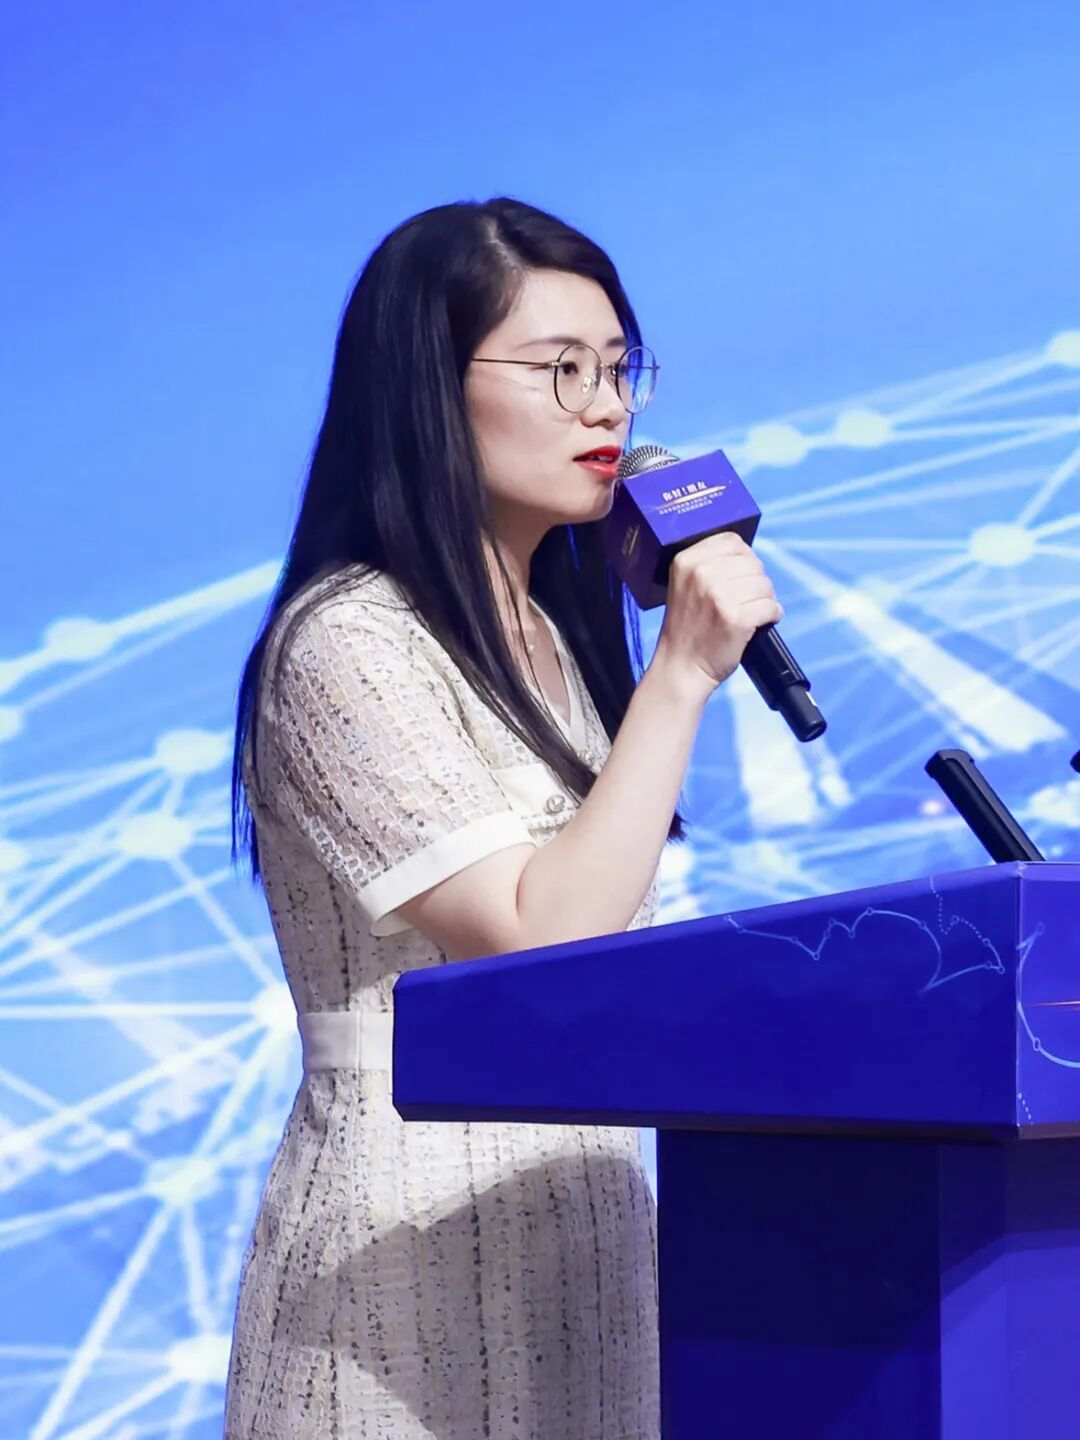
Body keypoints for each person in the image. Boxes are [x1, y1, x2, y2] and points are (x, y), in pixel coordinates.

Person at [224, 197, 782, 1439]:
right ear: (429, 388)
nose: (608, 408)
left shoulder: (558, 645)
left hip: (586, 1232)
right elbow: (536, 942)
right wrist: (683, 674)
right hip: (404, 1259)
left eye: (620, 369)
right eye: (561, 369)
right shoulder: (348, 643)